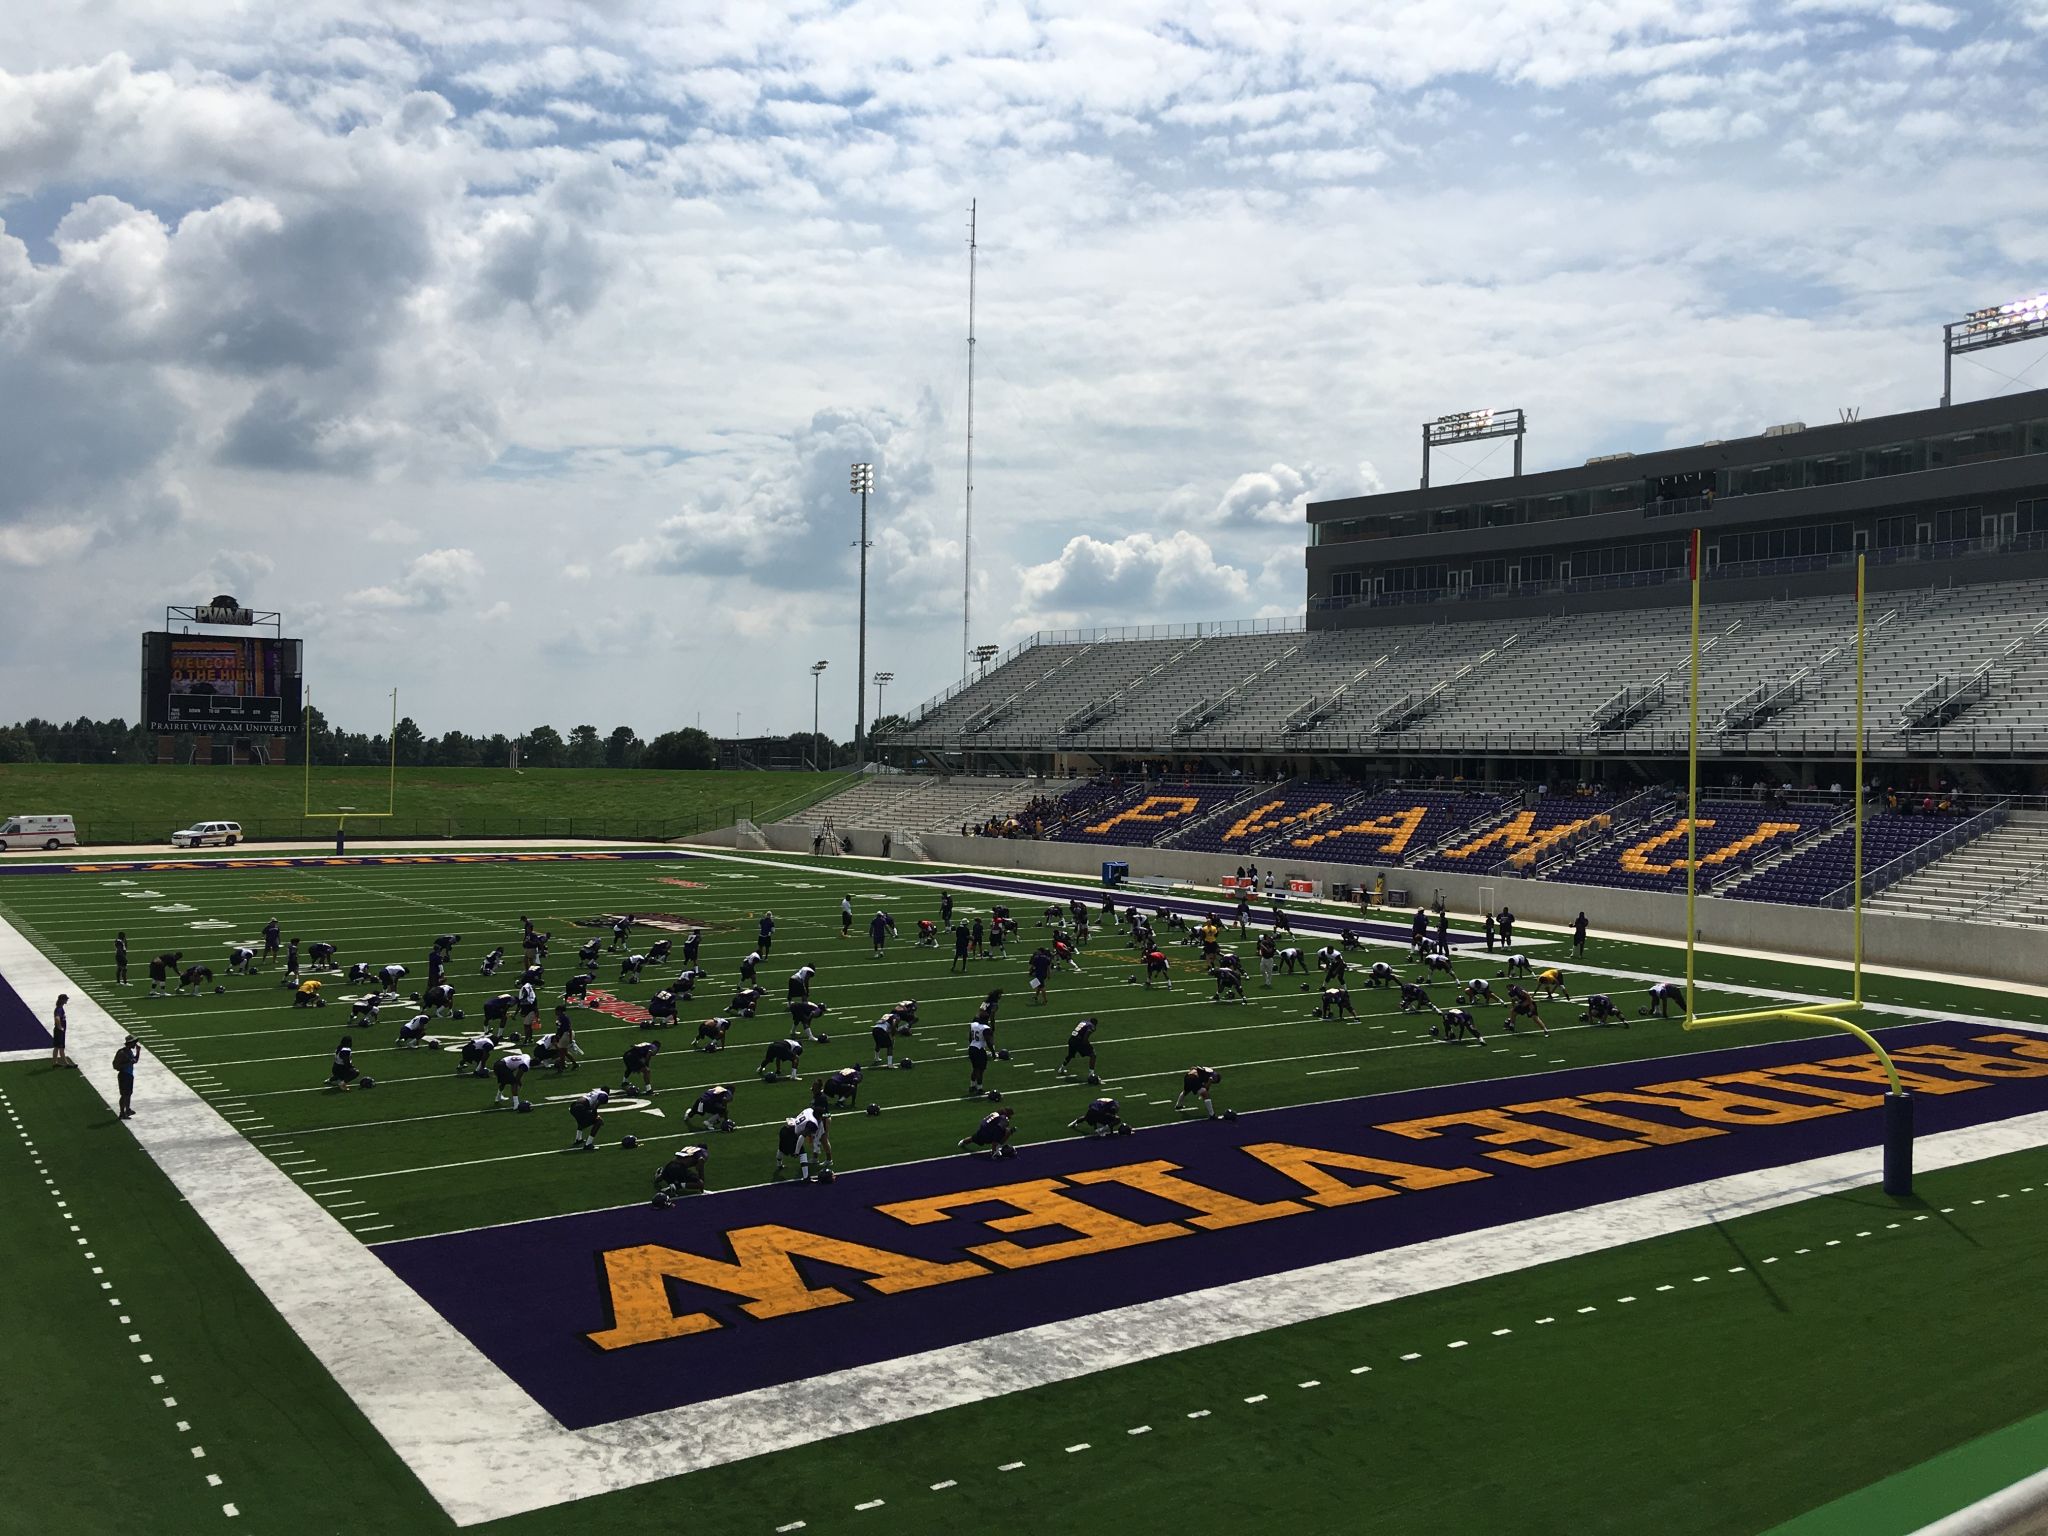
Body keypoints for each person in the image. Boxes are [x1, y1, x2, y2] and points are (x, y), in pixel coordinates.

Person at [775, 1103, 831, 1180]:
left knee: (781, 1148)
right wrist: (797, 1151)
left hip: (785, 1129)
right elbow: (801, 1137)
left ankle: (779, 1165)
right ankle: (806, 1177)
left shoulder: (809, 1110)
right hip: (791, 1134)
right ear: (818, 1116)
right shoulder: (813, 1123)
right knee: (802, 1154)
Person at [569, 1085, 611, 1150]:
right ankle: (588, 1144)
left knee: (583, 1119)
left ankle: (578, 1139)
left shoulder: (596, 1092)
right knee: (598, 1122)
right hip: (581, 1107)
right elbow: (595, 1106)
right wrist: (597, 1116)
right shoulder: (604, 1095)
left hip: (573, 1107)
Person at [966, 1013, 998, 1096]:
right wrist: (993, 1052)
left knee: (975, 1068)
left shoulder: (974, 1025)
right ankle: (979, 1089)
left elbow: (970, 1038)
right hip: (979, 1050)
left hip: (972, 1048)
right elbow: (989, 1042)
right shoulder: (985, 1028)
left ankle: (972, 1086)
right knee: (980, 1070)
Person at [113, 1035, 141, 1117]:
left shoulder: (129, 1051)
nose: (135, 1044)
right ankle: (122, 1112)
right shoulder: (122, 1053)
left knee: (128, 1094)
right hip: (124, 1075)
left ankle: (127, 1110)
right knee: (124, 1095)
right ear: (130, 1043)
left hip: (129, 1075)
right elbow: (115, 1066)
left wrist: (138, 1052)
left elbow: (135, 1061)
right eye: (134, 1043)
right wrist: (128, 1063)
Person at [49, 994, 71, 1068]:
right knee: (61, 1047)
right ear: (62, 1000)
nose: (66, 1000)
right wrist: (60, 1027)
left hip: (58, 1031)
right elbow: (57, 1018)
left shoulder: (59, 1008)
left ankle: (54, 1063)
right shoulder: (59, 1009)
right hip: (59, 1031)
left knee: (56, 1047)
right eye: (65, 999)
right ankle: (66, 1064)